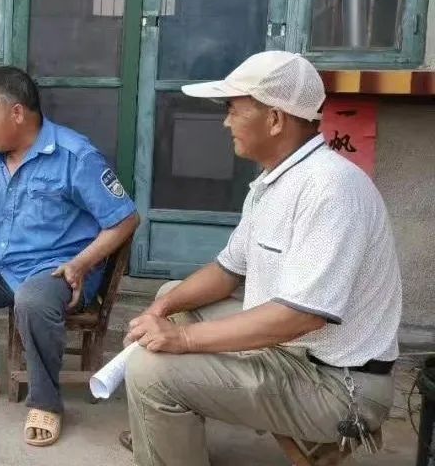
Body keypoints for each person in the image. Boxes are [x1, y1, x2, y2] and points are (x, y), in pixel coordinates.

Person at [120, 51, 402, 466]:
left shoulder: (331, 189)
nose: (225, 122)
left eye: (233, 109)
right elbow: (226, 271)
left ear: (274, 119)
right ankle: (163, 428)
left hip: (338, 386)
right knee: (173, 298)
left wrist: (182, 340)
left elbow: (301, 317)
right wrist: (160, 309)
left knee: (150, 372)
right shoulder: (275, 182)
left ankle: (161, 412)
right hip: (296, 353)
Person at [0, 67, 140, 447]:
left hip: (56, 271)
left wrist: (82, 263)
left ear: (16, 113)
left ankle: (46, 403)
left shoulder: (74, 155)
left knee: (32, 299)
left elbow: (125, 219)